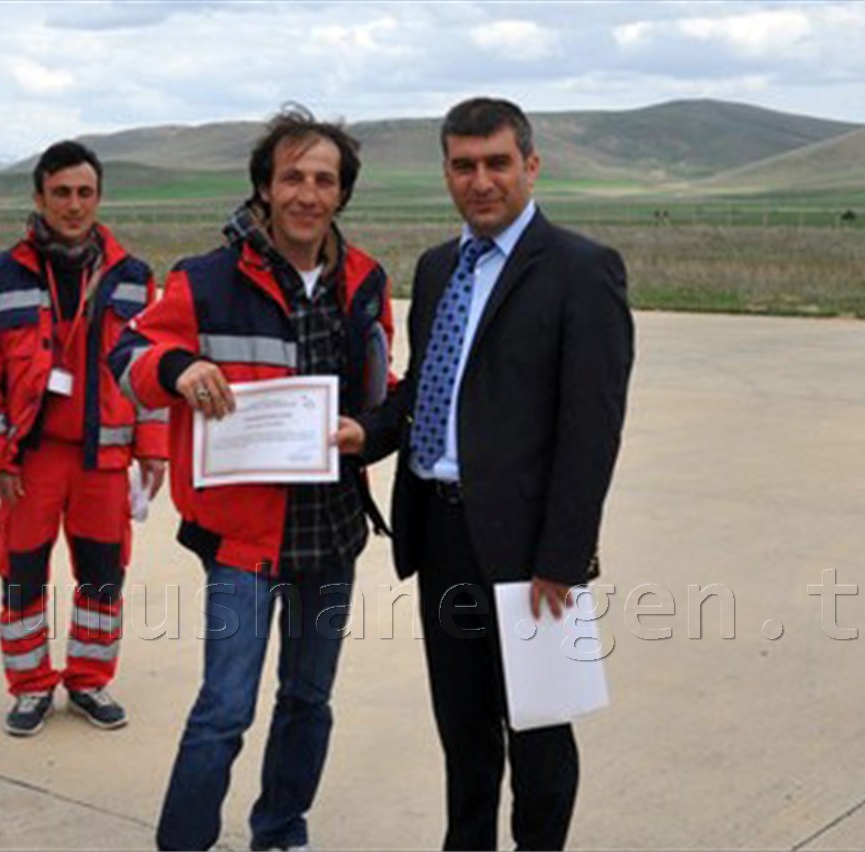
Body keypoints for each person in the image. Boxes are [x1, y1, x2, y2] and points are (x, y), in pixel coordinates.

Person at [340, 97, 634, 850]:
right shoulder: (439, 266)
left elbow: (592, 432)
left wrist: (563, 557)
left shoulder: (582, 270)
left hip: (532, 552)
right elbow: (426, 388)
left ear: (531, 166)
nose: (481, 181)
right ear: (445, 172)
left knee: (539, 733)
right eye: (463, 166)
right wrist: (368, 433)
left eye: (498, 163)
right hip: (441, 535)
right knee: (464, 730)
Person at [110, 105, 394, 852]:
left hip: (331, 530)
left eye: (324, 180)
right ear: (265, 187)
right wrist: (179, 367)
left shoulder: (365, 280)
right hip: (243, 539)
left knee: (308, 700)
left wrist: (372, 430)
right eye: (292, 177)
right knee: (225, 709)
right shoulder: (205, 279)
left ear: (342, 193)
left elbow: (379, 385)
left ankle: (281, 830)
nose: (308, 194)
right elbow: (128, 358)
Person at [0, 140, 167, 737]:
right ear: (39, 197)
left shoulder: (133, 278)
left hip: (105, 458)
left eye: (85, 193)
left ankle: (89, 681)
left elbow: (151, 369)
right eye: (61, 193)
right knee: (22, 573)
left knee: (103, 575)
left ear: (99, 197)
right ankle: (29, 687)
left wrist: (154, 445)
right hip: (31, 460)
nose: (74, 206)